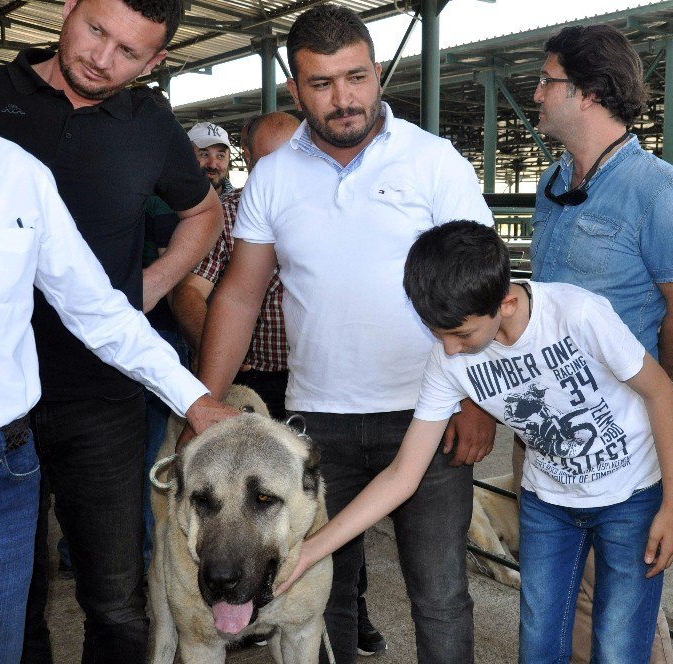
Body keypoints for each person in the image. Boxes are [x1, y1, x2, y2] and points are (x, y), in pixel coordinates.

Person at [190, 5, 496, 663]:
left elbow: (481, 291)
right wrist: (205, 404)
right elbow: (240, 294)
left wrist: (476, 400)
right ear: (295, 88)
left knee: (440, 593)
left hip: (430, 413)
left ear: (377, 72)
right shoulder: (274, 175)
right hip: (317, 424)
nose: (343, 98)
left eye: (356, 77)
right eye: (322, 83)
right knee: (319, 590)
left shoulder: (433, 161)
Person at [0, 4, 237, 661]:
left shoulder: (16, 172)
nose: (101, 57)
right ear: (71, 9)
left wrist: (189, 386)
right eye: (95, 31)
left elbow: (100, 305)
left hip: (40, 430)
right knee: (15, 615)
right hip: (10, 416)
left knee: (106, 597)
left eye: (128, 51)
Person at [282, 220, 673, 664]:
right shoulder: (449, 360)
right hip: (547, 502)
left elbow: (660, 391)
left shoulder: (579, 314)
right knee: (538, 641)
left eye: (462, 335)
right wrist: (309, 551)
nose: (451, 350)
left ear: (507, 302)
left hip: (631, 495)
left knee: (619, 645)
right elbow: (402, 474)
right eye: (439, 336)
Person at [526, 24, 673, 663]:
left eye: (548, 81)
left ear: (588, 93)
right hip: (552, 437)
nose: (537, 92)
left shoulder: (660, 195)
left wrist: (645, 389)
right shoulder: (552, 191)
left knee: (624, 613)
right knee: (572, 602)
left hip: (622, 445)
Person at [173, 112, 298, 420]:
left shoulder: (332, 211)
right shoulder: (227, 216)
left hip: (322, 378)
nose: (282, 173)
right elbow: (189, 291)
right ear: (248, 157)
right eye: (269, 162)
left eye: (293, 159)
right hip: (256, 379)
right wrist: (219, 352)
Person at [189, 120, 236, 199]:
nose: (212, 165)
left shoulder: (242, 203)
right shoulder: (167, 203)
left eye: (220, 156)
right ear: (186, 157)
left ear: (229, 161)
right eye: (205, 155)